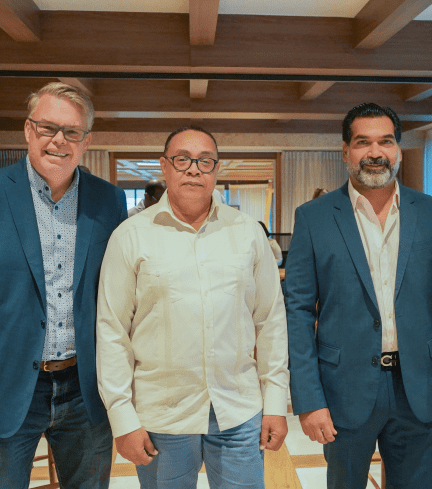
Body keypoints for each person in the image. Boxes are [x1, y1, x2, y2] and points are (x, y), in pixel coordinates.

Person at [0, 82, 126, 488]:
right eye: (48, 128)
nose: (59, 140)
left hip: (85, 388)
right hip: (2, 381)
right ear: (29, 130)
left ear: (86, 141)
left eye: (72, 132)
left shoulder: (109, 201)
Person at [286, 103, 432, 489]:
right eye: (363, 142)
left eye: (386, 141)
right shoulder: (314, 217)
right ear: (346, 151)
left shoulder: (430, 213)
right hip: (342, 391)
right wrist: (308, 399)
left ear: (398, 150)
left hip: (420, 390)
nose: (375, 152)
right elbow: (297, 312)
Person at [96, 125, 289, 489]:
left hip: (238, 410)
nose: (194, 169)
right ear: (164, 166)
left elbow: (270, 322)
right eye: (182, 159)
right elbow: (112, 332)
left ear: (217, 169)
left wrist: (277, 402)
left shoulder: (247, 232)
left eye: (205, 161)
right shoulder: (130, 236)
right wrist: (122, 418)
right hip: (161, 416)